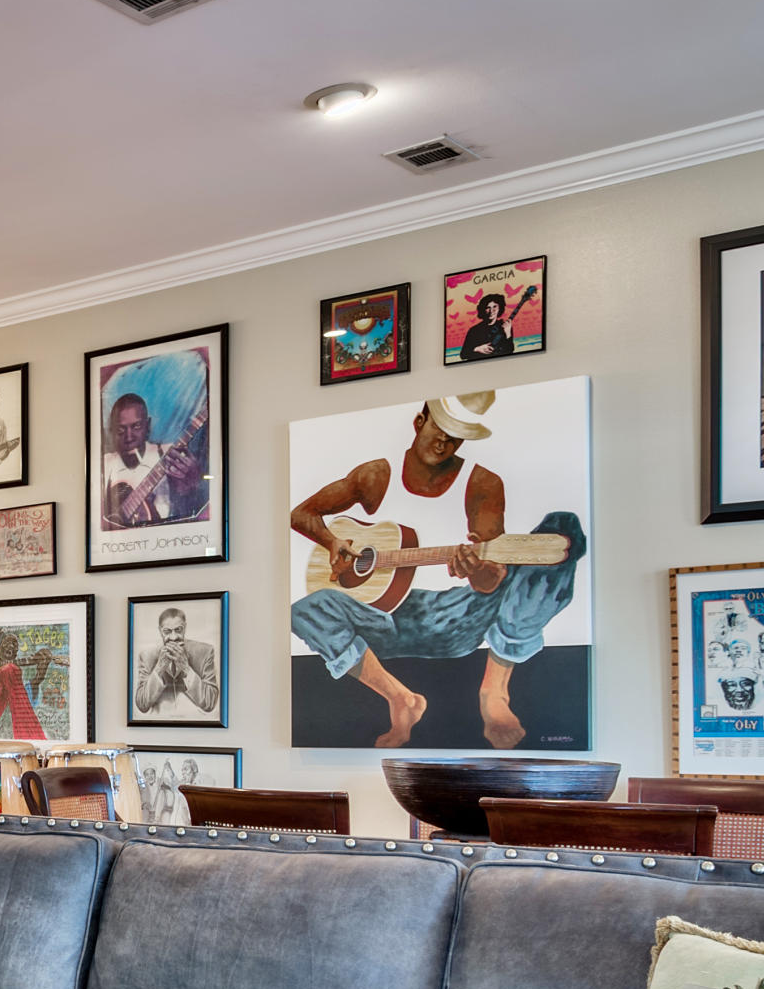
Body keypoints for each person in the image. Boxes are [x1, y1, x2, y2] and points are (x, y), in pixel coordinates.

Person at [287, 389, 587, 749]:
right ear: (419, 423)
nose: (443, 444)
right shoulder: (375, 476)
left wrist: (476, 572)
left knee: (563, 525)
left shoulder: (482, 483)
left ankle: (495, 689)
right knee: (305, 611)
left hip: (454, 615)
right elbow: (301, 513)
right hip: (383, 621)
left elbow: (491, 579)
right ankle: (401, 698)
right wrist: (332, 541)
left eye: (455, 437)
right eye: (438, 430)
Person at [98, 351, 211, 530]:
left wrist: (192, 483)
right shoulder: (103, 465)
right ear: (111, 431)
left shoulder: (170, 455)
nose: (129, 436)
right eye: (121, 429)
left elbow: (191, 506)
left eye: (136, 427)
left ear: (147, 425)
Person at [134, 605, 221, 719]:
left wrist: (186, 668)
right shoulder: (146, 656)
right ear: (160, 631)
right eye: (167, 631)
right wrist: (159, 668)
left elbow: (210, 703)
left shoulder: (205, 652)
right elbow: (142, 704)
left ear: (184, 628)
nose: (173, 637)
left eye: (178, 630)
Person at [456, 284, 538, 360]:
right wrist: (477, 349)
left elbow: (509, 351)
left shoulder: (505, 326)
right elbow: (463, 355)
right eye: (488, 307)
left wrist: (508, 334)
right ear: (483, 310)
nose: (492, 311)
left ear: (499, 308)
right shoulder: (474, 330)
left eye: (495, 307)